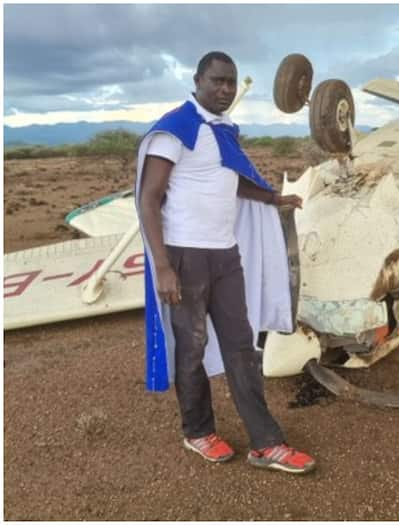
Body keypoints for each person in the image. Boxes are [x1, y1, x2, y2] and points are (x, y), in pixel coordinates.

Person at [136, 51, 314, 474]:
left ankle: (266, 443)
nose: (226, 89)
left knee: (241, 346)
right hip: (184, 256)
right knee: (192, 348)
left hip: (224, 254)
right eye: (217, 81)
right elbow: (148, 197)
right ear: (197, 80)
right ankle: (198, 432)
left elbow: (232, 180)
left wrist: (273, 197)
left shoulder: (223, 131)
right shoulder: (175, 131)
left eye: (231, 82)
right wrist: (162, 266)